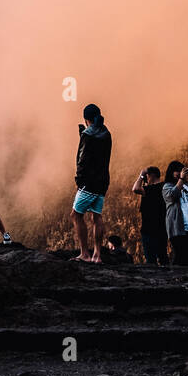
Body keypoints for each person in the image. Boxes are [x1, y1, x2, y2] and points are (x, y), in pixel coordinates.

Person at [71, 103, 112, 264]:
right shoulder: (106, 132)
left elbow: (83, 160)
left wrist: (79, 180)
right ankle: (97, 255)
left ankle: (84, 253)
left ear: (86, 119)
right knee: (97, 216)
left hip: (89, 182)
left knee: (76, 215)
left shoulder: (88, 134)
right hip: (103, 181)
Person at [163, 161, 188, 267]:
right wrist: (181, 179)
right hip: (178, 228)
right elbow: (172, 196)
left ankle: (184, 281)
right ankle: (173, 279)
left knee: (187, 258)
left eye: (182, 171)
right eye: (177, 171)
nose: (180, 173)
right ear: (171, 172)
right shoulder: (167, 186)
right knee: (180, 256)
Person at [132, 165, 169, 266]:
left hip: (148, 229)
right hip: (162, 228)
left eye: (146, 176)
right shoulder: (165, 187)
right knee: (163, 256)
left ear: (151, 176)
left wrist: (141, 175)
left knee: (150, 258)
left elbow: (135, 189)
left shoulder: (149, 189)